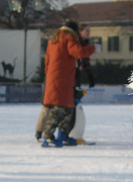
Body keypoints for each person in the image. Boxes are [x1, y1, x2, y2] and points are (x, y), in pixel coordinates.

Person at [39, 19, 96, 147]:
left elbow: (47, 62)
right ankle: (48, 136)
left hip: (54, 78)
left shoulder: (53, 40)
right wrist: (92, 48)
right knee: (59, 109)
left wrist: (49, 76)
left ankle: (63, 136)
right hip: (62, 78)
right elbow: (78, 52)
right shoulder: (69, 38)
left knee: (68, 108)